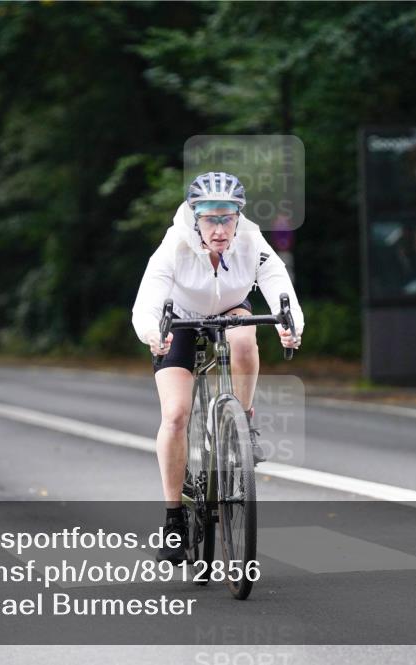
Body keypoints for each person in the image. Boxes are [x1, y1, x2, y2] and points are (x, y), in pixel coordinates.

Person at [132, 172, 305, 564]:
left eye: (228, 217)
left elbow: (278, 282)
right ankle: (174, 517)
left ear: (239, 216)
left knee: (244, 337)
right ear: (195, 218)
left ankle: (242, 421)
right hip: (179, 322)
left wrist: (289, 325)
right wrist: (151, 333)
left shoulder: (250, 239)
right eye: (211, 219)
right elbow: (148, 298)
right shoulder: (173, 246)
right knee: (175, 415)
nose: (221, 228)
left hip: (230, 309)